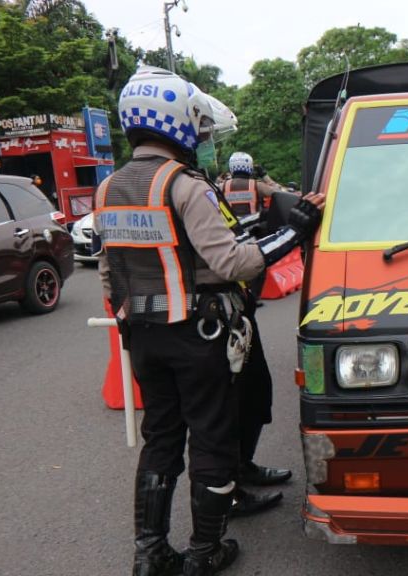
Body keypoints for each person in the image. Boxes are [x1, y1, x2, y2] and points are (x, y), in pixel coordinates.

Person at [95, 65, 322, 576]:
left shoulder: (107, 188)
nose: (199, 134)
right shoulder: (183, 184)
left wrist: (132, 321)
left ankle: (150, 552)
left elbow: (110, 274)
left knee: (161, 440)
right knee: (214, 440)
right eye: (196, 124)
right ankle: (205, 551)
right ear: (174, 122)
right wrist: (295, 231)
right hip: (197, 336)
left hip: (144, 338)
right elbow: (235, 263)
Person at [221, 152, 282, 216]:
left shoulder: (222, 187)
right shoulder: (257, 186)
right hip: (254, 224)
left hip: (232, 225)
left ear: (231, 167)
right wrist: (265, 176)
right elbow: (279, 192)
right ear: (250, 166)